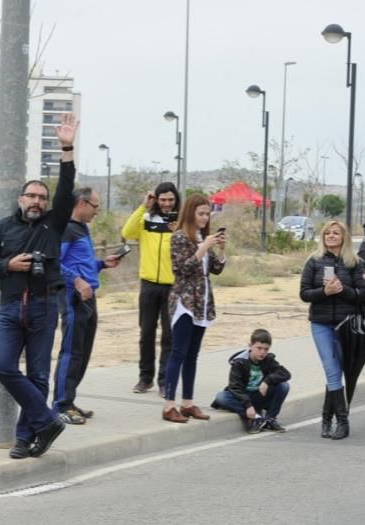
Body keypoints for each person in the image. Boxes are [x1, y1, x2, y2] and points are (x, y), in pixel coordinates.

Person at [0, 112, 78, 459]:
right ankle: (47, 420)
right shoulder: (4, 227)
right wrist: (8, 264)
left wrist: (67, 147)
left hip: (43, 304)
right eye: (30, 196)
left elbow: (67, 188)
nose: (36, 201)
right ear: (20, 199)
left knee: (37, 374)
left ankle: (25, 437)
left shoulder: (53, 223)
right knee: (3, 366)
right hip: (9, 308)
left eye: (41, 198)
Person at [52, 187, 123, 424]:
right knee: (71, 352)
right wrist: (77, 280)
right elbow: (55, 264)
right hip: (72, 297)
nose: (96, 212)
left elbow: (80, 262)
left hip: (88, 297)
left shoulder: (81, 228)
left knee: (83, 352)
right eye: (95, 207)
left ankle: (69, 401)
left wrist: (102, 263)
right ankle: (60, 405)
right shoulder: (65, 229)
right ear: (81, 203)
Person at [300, 219, 365, 440]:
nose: (331, 236)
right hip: (320, 323)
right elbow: (304, 294)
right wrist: (324, 292)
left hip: (345, 325)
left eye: (335, 233)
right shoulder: (313, 261)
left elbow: (362, 294)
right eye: (327, 233)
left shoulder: (354, 262)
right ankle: (342, 421)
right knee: (331, 370)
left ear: (344, 237)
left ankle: (326, 418)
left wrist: (342, 290)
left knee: (337, 373)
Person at [161, 193, 225, 423]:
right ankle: (169, 405)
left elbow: (216, 269)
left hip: (203, 301)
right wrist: (202, 248)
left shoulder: (203, 236)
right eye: (201, 213)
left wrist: (220, 249)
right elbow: (182, 269)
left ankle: (187, 402)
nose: (205, 218)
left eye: (208, 214)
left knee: (192, 354)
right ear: (190, 213)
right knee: (178, 351)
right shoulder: (179, 237)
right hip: (184, 301)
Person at [121, 182, 181, 395]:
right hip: (148, 285)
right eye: (162, 199)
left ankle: (165, 380)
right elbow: (127, 232)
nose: (166, 204)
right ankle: (145, 378)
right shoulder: (147, 219)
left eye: (170, 200)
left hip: (172, 286)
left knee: (169, 336)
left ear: (176, 200)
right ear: (156, 199)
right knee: (146, 333)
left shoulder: (180, 222)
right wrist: (143, 206)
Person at [211, 328, 291, 434]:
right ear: (250, 346)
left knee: (284, 386)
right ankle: (257, 419)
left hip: (259, 395)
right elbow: (235, 387)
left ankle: (270, 418)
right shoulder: (240, 363)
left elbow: (285, 373)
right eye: (259, 348)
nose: (262, 352)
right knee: (221, 397)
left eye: (266, 349)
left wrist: (267, 381)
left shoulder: (268, 360)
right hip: (243, 396)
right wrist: (248, 406)